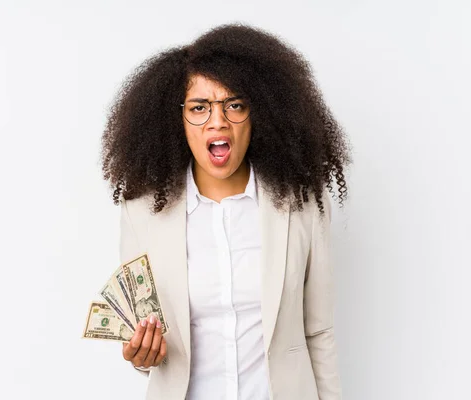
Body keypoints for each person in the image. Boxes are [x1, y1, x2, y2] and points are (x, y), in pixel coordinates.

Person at [101, 23, 351, 400]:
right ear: (178, 119)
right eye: (199, 108)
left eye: (234, 105)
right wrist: (141, 356)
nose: (217, 121)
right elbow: (143, 335)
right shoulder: (142, 213)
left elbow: (318, 332)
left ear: (259, 114)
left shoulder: (303, 205)